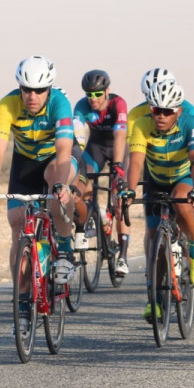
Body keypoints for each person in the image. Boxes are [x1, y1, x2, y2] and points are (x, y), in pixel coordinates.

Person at [0, 56, 80, 297]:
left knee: (55, 185)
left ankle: (66, 248)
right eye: (26, 90)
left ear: (48, 89)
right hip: (24, 165)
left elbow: (65, 148)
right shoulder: (7, 105)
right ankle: (23, 301)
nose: (32, 96)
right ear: (20, 88)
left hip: (55, 159)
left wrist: (60, 184)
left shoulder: (60, 103)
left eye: (39, 90)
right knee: (17, 225)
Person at [121, 75, 194, 319]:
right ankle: (156, 299)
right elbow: (136, 162)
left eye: (167, 111)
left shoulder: (190, 122)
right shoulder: (141, 125)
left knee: (182, 203)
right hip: (156, 179)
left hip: (184, 177)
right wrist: (129, 189)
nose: (160, 116)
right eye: (156, 110)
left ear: (178, 111)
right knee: (155, 241)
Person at [72, 69, 132, 275]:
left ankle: (122, 257)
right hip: (95, 147)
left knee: (119, 199)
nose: (93, 99)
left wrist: (117, 166)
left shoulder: (118, 104)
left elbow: (120, 134)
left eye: (98, 94)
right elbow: (78, 135)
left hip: (118, 147)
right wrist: (75, 162)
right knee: (82, 176)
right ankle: (90, 213)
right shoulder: (81, 106)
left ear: (107, 91)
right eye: (89, 94)